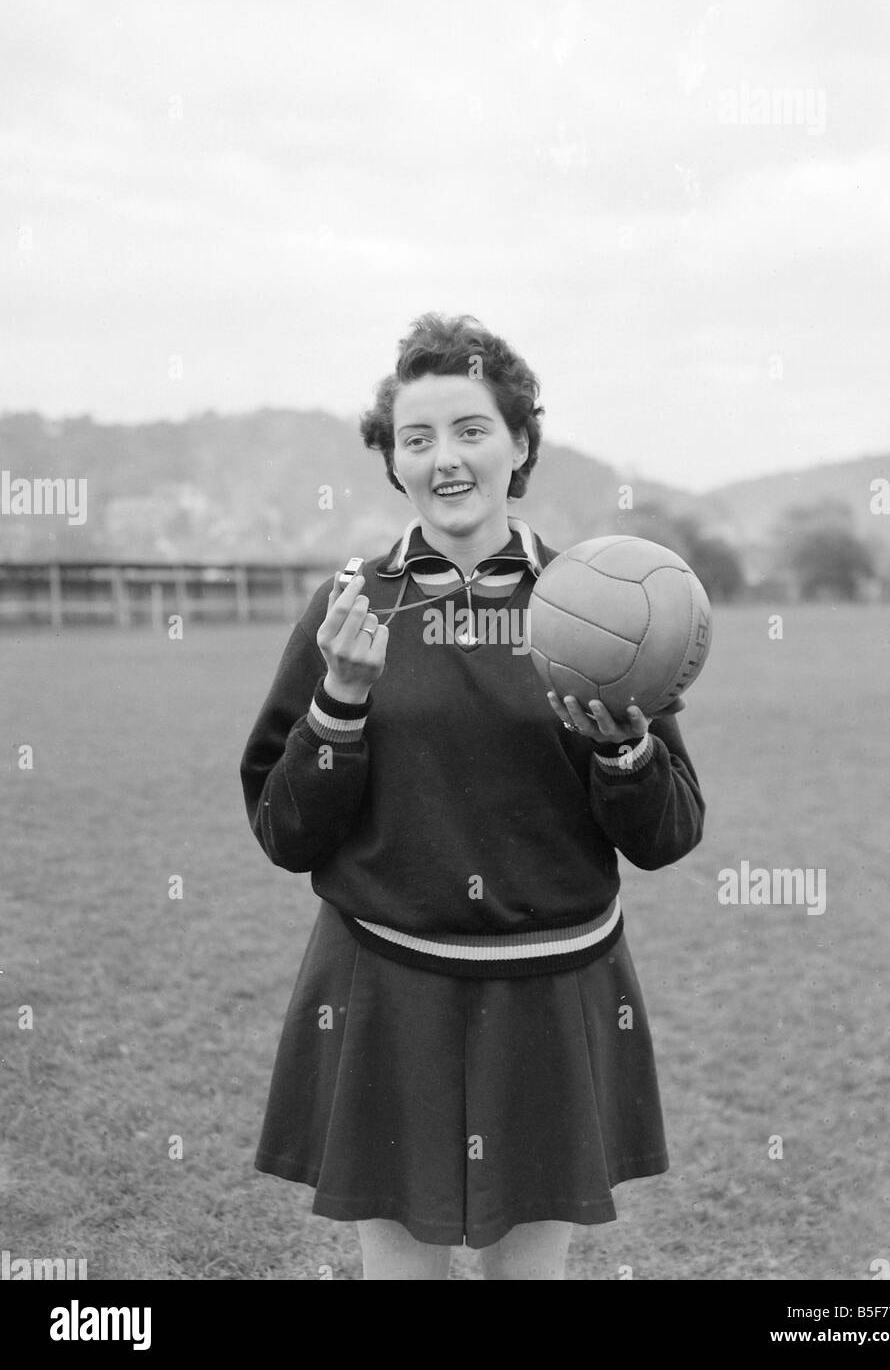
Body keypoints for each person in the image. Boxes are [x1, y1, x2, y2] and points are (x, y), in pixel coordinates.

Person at [240, 312, 706, 1280]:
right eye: (417, 438)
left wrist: (623, 755)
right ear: (391, 462)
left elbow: (666, 834)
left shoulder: (595, 601)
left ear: (520, 443)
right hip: (385, 981)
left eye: (470, 430)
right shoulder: (350, 603)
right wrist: (340, 702)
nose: (445, 458)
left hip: (552, 983)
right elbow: (285, 830)